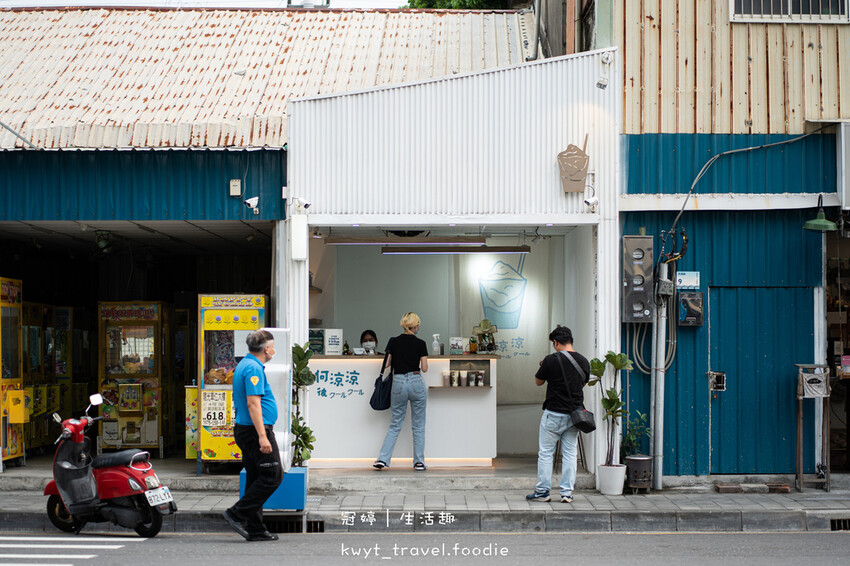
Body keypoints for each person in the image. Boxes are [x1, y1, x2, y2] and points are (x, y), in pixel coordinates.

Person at [222, 329, 282, 541]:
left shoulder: (245, 365)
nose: (274, 349)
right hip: (255, 431)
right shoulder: (253, 369)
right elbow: (253, 404)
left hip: (247, 430)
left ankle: (255, 528)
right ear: (266, 348)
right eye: (273, 345)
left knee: (256, 476)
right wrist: (262, 437)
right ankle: (237, 513)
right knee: (272, 475)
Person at [527, 325, 590, 504]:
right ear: (570, 340)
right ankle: (566, 493)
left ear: (555, 342)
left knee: (546, 453)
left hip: (553, 414)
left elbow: (538, 382)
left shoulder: (550, 360)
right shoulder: (584, 361)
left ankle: (543, 492)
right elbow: (581, 384)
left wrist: (545, 368)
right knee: (570, 454)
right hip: (574, 415)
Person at [373, 312, 429, 471]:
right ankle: (419, 462)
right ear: (416, 326)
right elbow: (424, 368)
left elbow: (386, 365)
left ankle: (382, 459)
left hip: (398, 383)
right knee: (418, 425)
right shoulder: (421, 343)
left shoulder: (394, 342)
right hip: (416, 381)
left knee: (395, 424)